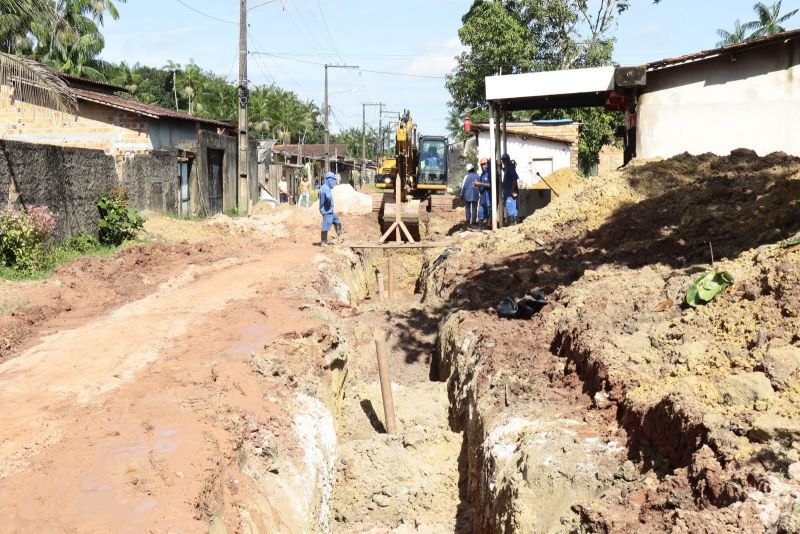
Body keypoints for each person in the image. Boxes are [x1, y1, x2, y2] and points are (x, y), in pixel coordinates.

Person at [319, 171, 342, 245]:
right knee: (326, 225)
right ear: (329, 180)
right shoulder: (326, 188)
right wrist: (328, 205)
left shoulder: (323, 187)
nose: (334, 184)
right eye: (333, 182)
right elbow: (328, 197)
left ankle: (340, 236)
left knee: (336, 219)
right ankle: (324, 242)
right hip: (327, 211)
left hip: (329, 210)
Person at [501, 153, 520, 225]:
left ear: (506, 160)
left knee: (510, 205)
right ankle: (515, 223)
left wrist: (511, 190)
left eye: (503, 161)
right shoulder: (507, 167)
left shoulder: (510, 168)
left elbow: (514, 179)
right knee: (513, 206)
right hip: (512, 192)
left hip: (511, 192)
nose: (503, 162)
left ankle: (512, 223)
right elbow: (505, 170)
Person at [474, 157, 492, 228]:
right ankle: (480, 225)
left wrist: (480, 184)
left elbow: (491, 185)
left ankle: (489, 224)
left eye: (485, 164)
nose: (484, 166)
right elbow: (481, 185)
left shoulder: (490, 174)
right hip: (483, 196)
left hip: (488, 195)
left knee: (489, 210)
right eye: (482, 164)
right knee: (481, 211)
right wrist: (477, 186)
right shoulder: (482, 174)